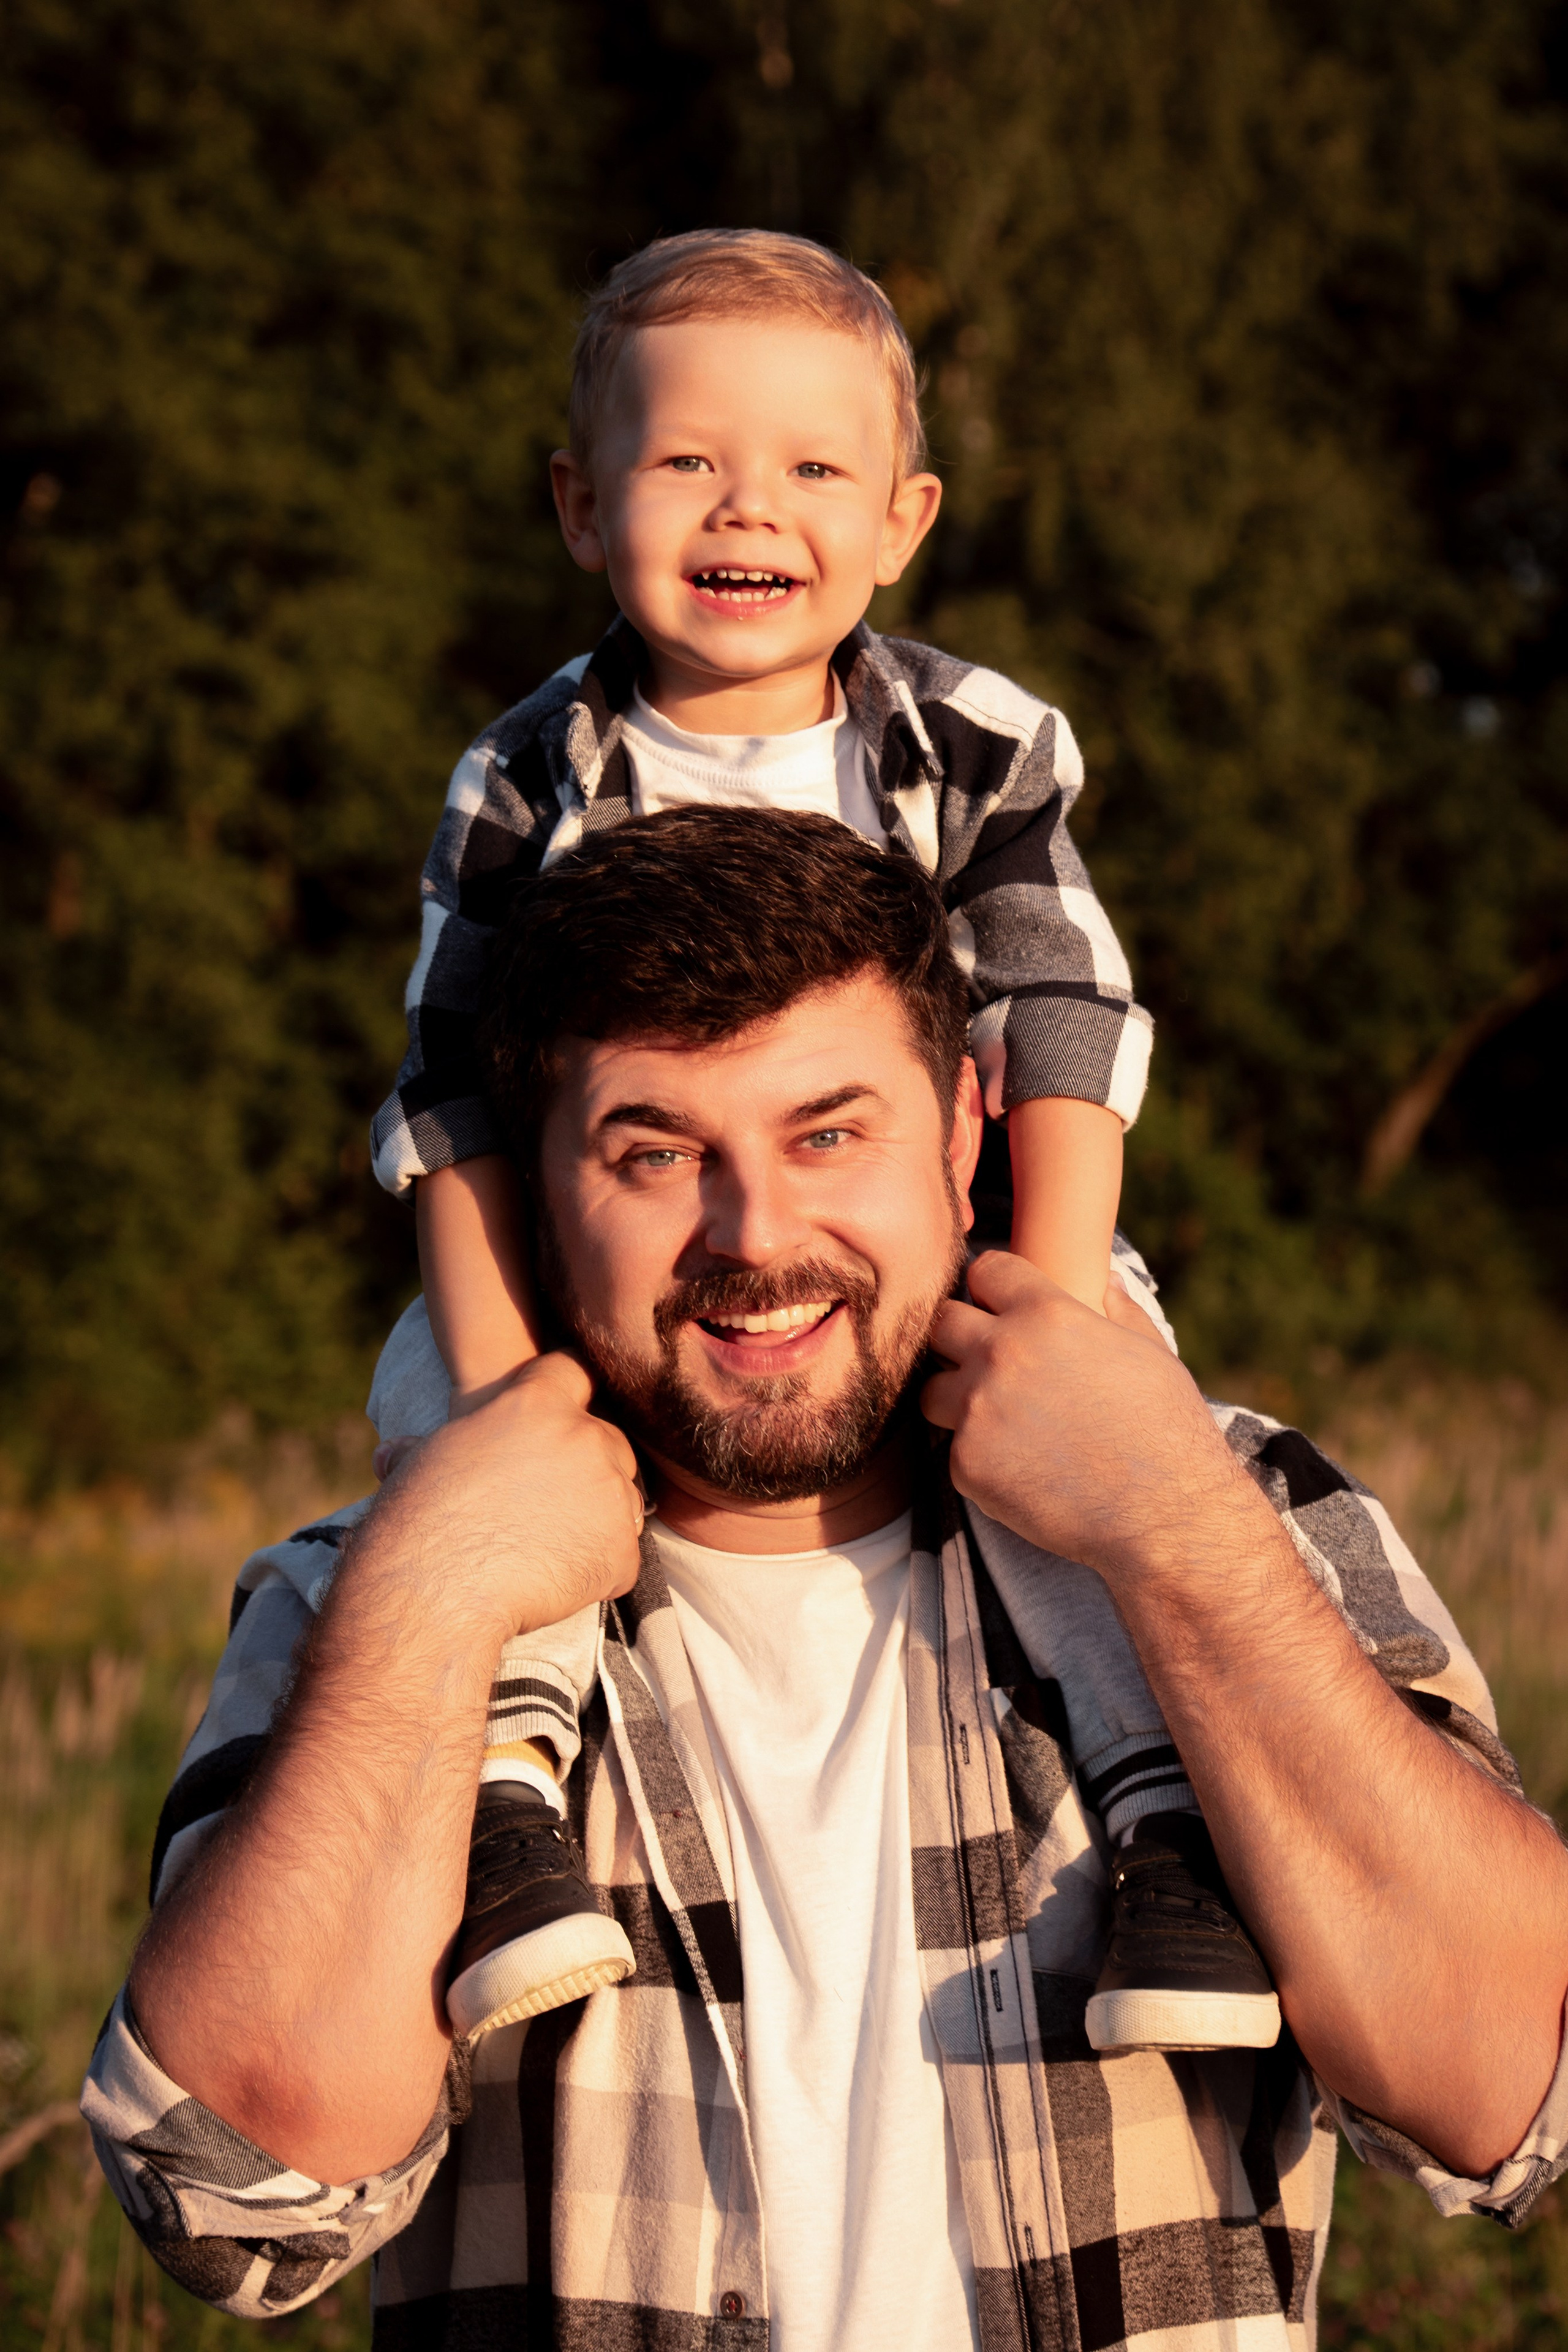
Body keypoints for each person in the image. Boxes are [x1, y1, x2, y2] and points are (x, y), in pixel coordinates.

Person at [86, 811, 1568, 2351]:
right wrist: (435, 1590)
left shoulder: (1237, 1512)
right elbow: (241, 2204)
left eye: (828, 1133)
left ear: (962, 1134)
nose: (756, 1234)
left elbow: (1505, 2089)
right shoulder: (370, 1601)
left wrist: (1179, 1532)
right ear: (534, 1191)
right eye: (653, 1154)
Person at [366, 226, 1232, 2049]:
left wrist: (1053, 1318)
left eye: (814, 469)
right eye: (686, 461)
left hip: (970, 1246)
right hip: (606, 1271)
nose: (749, 507)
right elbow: (451, 1095)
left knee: (1121, 1451)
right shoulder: (531, 777)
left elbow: (1064, 1020)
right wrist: (500, 1382)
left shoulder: (971, 741)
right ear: (581, 508)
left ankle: (1172, 1825)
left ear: (905, 518)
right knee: (449, 1452)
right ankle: (506, 1817)